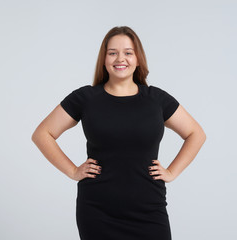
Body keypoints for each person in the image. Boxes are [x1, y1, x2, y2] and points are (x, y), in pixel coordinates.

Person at [31, 26, 206, 240]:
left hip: (150, 211)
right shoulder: (86, 98)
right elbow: (42, 134)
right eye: (112, 52)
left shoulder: (156, 100)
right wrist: (72, 171)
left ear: (138, 59)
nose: (120, 58)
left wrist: (172, 172)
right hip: (97, 212)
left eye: (128, 52)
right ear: (104, 60)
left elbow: (196, 134)